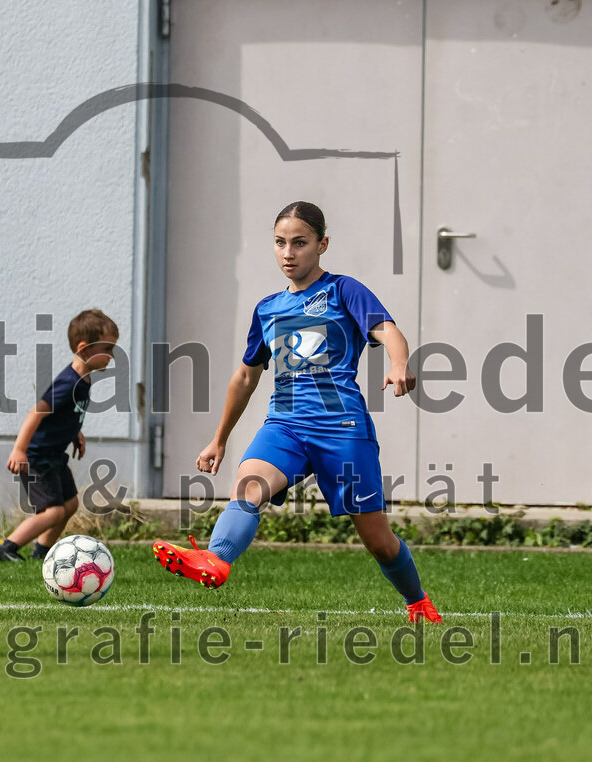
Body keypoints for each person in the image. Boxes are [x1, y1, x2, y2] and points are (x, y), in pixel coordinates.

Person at [152, 201, 442, 623]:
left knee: (378, 540)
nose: (289, 253)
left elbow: (388, 330)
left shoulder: (344, 290)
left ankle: (418, 602)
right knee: (248, 483)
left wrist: (399, 363)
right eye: (280, 243)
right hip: (284, 424)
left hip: (341, 428)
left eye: (300, 243)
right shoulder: (267, 309)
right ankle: (215, 560)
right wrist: (219, 438)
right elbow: (245, 378)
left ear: (322, 244)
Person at [0, 310, 118, 562]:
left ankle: (42, 552)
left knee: (70, 505)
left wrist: (75, 433)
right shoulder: (68, 382)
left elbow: (64, 413)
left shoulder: (83, 379)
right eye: (108, 348)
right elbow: (36, 413)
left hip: (55, 455)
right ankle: (5, 548)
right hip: (37, 457)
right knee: (53, 511)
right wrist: (19, 450)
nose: (112, 356)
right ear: (84, 349)